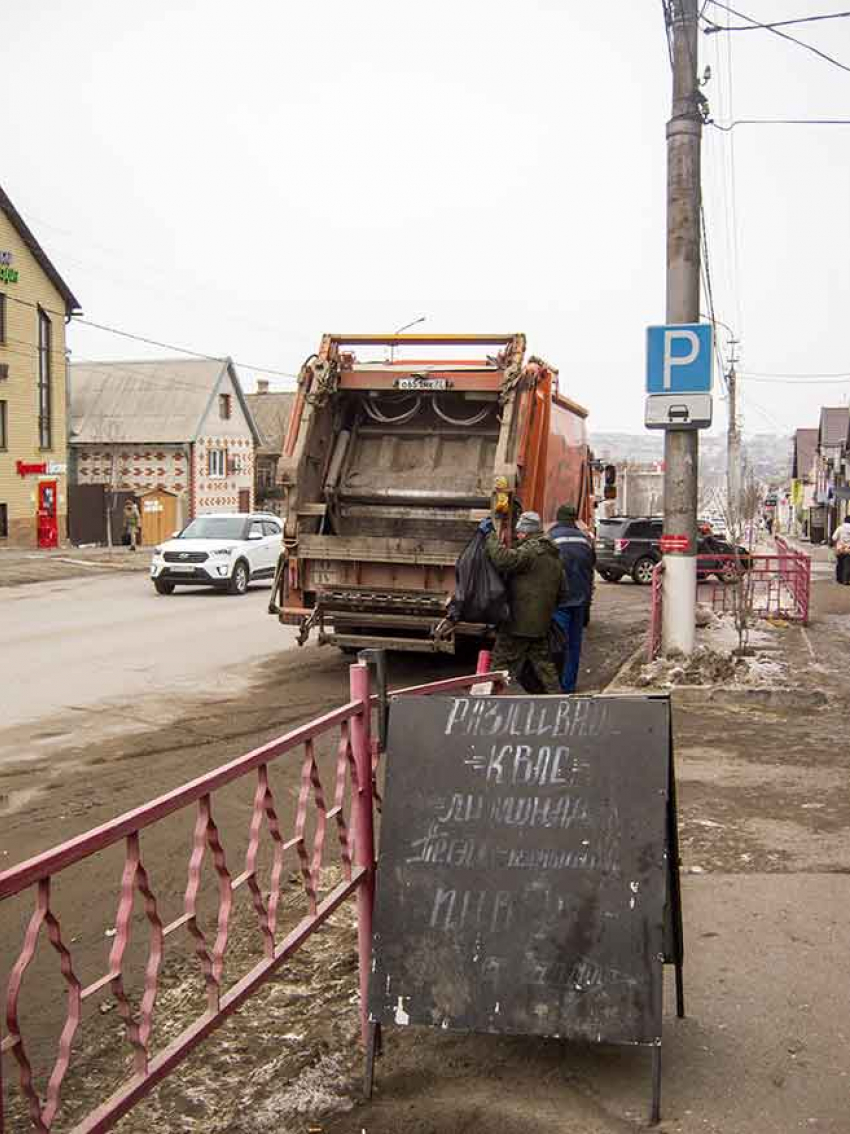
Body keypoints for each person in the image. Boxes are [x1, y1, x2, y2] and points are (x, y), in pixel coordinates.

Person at [481, 511, 567, 694]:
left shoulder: (532, 551)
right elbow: (562, 592)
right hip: (541, 623)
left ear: (528, 532)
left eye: (520, 531)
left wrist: (490, 537)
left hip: (519, 623)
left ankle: (488, 700)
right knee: (543, 664)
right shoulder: (555, 555)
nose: (518, 535)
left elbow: (504, 560)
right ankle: (558, 698)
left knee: (500, 661)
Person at [549, 504, 596, 693]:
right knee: (574, 645)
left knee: (557, 643)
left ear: (559, 518)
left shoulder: (552, 538)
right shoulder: (585, 540)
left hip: (560, 601)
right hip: (580, 600)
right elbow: (591, 566)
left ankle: (554, 684)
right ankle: (568, 685)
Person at [830, 514, 850, 585]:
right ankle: (846, 580)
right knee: (847, 565)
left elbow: (834, 538)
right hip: (848, 549)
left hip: (840, 549)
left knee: (840, 564)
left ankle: (839, 579)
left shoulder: (840, 528)